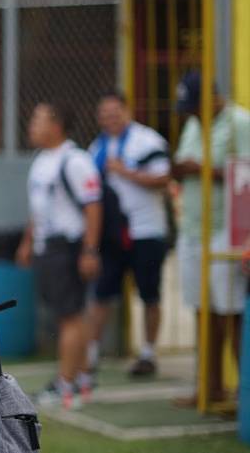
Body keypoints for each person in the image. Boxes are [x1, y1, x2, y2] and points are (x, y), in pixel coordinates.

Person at [16, 102, 102, 410]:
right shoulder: (41, 161)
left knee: (70, 316)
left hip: (67, 248)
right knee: (68, 315)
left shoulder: (76, 160)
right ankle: (79, 378)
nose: (32, 125)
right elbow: (38, 209)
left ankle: (66, 385)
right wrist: (28, 242)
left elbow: (93, 206)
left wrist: (90, 250)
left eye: (38, 120)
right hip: (47, 249)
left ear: (56, 126)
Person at [172, 71, 250, 405]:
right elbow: (181, 165)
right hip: (192, 229)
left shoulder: (240, 122)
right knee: (203, 312)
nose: (191, 113)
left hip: (226, 230)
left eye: (194, 106)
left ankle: (244, 395)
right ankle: (210, 387)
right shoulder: (193, 123)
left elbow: (246, 175)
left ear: (213, 97)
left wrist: (201, 169)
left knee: (231, 314)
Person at [86, 91, 173, 378]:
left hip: (146, 230)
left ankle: (148, 353)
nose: (109, 119)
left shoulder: (147, 140)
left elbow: (163, 178)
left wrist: (126, 172)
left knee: (149, 294)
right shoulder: (96, 147)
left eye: (115, 113)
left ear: (126, 111)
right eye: (104, 114)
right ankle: (91, 354)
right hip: (112, 236)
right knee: (102, 294)